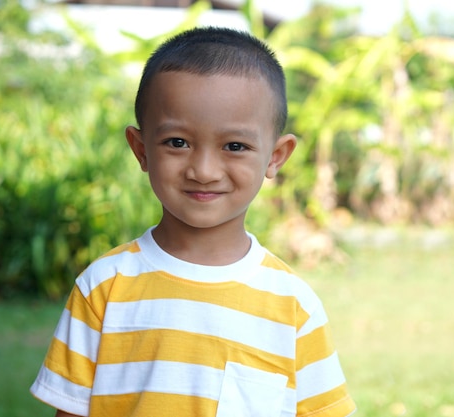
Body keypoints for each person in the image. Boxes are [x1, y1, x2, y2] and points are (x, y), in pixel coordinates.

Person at [30, 26, 356, 417]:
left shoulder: (293, 307)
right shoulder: (103, 289)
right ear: (141, 149)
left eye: (234, 146)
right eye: (177, 142)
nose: (203, 170)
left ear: (276, 156)